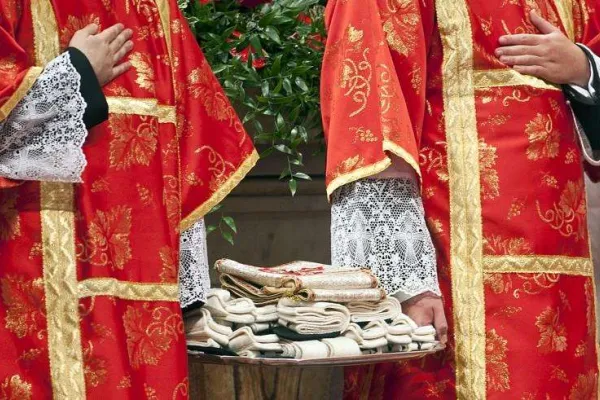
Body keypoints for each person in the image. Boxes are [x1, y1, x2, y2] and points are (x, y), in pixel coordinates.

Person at [322, 0, 600, 398]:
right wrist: (407, 284)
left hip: (559, 279)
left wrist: (584, 69)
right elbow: (370, 125)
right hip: (449, 262)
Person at [0, 0, 257, 398]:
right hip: (32, 276)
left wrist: (189, 301)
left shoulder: (157, 8)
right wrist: (77, 74)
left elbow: (191, 154)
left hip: (140, 287)